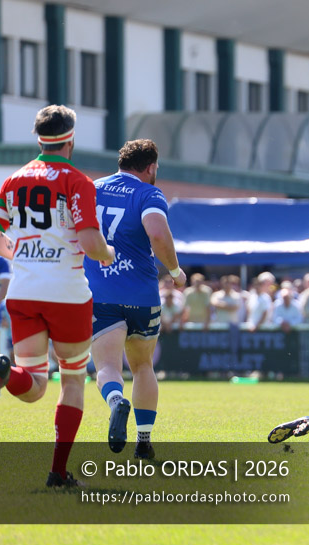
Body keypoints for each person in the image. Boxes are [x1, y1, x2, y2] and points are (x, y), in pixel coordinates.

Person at [0, 104, 115, 487]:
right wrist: (108, 254)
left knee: (33, 385)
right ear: (70, 140)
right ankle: (58, 472)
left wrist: (17, 253)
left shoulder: (14, 179)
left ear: (39, 140)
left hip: (24, 292)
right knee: (71, 380)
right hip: (67, 294)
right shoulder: (78, 181)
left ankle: (6, 372)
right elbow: (91, 244)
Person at [85, 138, 185, 458]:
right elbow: (157, 233)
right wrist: (175, 270)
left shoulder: (92, 189)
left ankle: (116, 401)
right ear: (151, 167)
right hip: (141, 295)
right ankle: (143, 441)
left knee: (107, 366)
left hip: (101, 293)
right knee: (143, 367)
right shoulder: (148, 193)